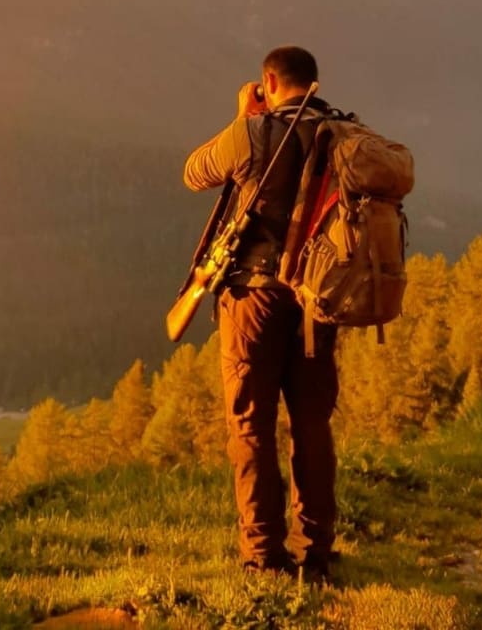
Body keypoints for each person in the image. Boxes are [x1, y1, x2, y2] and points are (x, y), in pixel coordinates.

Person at [183, 45, 339, 580]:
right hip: (319, 300)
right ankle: (317, 553)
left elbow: (195, 172)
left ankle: (264, 555)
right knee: (312, 424)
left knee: (252, 425)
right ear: (313, 82)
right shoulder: (343, 135)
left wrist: (241, 118)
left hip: (255, 295)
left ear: (268, 82)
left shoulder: (251, 134)